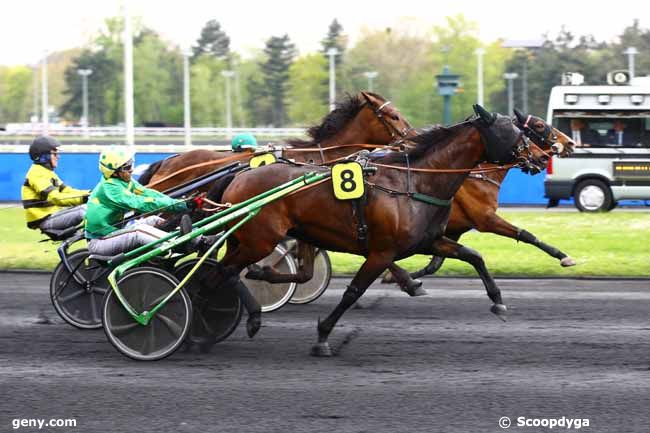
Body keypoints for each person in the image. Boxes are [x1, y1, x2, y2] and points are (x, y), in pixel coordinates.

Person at [84, 147, 210, 256]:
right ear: (115, 172)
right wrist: (181, 206)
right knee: (139, 231)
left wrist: (179, 202)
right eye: (127, 167)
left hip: (113, 233)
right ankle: (175, 245)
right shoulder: (111, 189)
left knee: (154, 220)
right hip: (100, 241)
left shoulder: (123, 181)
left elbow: (149, 193)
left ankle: (200, 240)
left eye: (131, 165)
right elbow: (142, 203)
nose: (131, 170)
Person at [21, 136, 89, 232]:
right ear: (44, 156)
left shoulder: (47, 172)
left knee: (90, 207)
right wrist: (85, 198)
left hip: (53, 216)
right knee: (84, 210)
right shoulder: (36, 174)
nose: (58, 156)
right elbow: (56, 198)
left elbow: (67, 191)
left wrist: (90, 193)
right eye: (54, 153)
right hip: (45, 220)